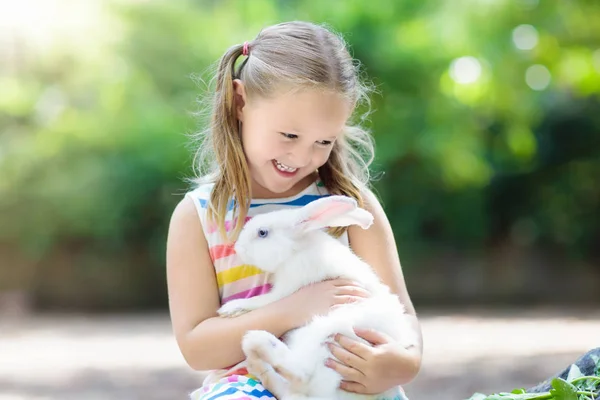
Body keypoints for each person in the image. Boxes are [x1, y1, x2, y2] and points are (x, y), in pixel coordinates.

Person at [166, 20, 423, 400]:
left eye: (323, 141)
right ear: (241, 102)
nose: (303, 156)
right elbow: (197, 347)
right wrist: (293, 310)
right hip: (251, 383)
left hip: (344, 381)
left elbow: (403, 317)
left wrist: (399, 364)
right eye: (289, 135)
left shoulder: (350, 207)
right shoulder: (199, 217)